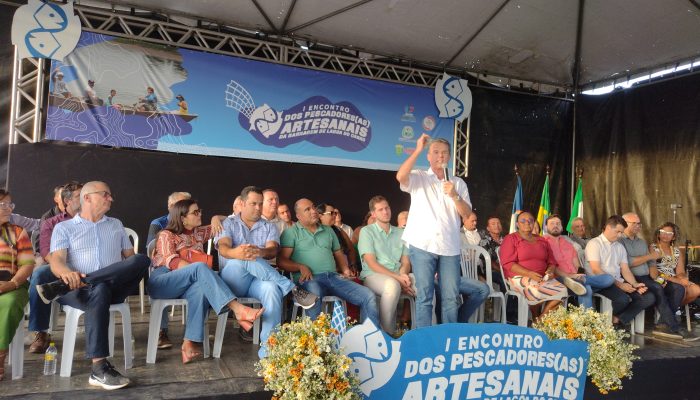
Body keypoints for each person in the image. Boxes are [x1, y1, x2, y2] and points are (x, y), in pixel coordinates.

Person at [36, 181, 151, 390]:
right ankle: (99, 368)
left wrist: (94, 277)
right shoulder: (64, 227)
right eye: (105, 194)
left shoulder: (115, 224)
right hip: (76, 289)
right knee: (100, 289)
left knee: (142, 260)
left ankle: (71, 284)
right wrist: (67, 274)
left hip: (108, 287)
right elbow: (56, 261)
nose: (111, 198)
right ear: (87, 198)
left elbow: (130, 259)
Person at [149, 199, 264, 363]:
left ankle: (189, 341)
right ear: (182, 218)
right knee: (200, 268)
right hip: (163, 281)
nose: (200, 214)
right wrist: (199, 271)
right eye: (195, 212)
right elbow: (173, 263)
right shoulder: (166, 235)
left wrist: (216, 217)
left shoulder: (198, 233)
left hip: (187, 282)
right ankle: (237, 308)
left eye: (200, 210)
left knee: (200, 289)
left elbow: (231, 219)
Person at [216, 187, 316, 358]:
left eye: (260, 204)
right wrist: (238, 253)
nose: (257, 207)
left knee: (272, 289)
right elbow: (224, 248)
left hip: (258, 280)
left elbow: (272, 251)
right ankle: (291, 288)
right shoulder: (229, 223)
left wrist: (259, 252)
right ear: (242, 203)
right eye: (253, 203)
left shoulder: (269, 227)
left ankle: (269, 351)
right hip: (233, 279)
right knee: (244, 255)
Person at [396, 133, 472, 327]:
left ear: (449, 157)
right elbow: (400, 176)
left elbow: (466, 214)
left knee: (450, 298)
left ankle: (449, 339)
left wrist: (454, 195)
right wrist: (418, 149)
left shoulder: (458, 183)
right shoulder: (420, 177)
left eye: (445, 153)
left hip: (449, 247)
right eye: (436, 152)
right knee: (424, 297)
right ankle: (424, 342)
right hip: (423, 244)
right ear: (429, 156)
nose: (441, 156)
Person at [278, 198, 379, 326]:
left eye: (313, 207)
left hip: (333, 277)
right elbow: (281, 261)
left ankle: (371, 337)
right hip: (309, 280)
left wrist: (346, 270)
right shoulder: (291, 232)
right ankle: (318, 341)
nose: (313, 211)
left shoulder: (328, 230)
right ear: (298, 216)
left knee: (368, 295)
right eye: (307, 209)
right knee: (314, 295)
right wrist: (299, 266)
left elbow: (338, 254)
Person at [28, 182, 83, 354]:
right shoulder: (51, 222)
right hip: (59, 266)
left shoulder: (92, 219)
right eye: (79, 196)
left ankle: (62, 288)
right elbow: (45, 252)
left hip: (86, 267)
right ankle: (41, 332)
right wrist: (64, 269)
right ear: (67, 201)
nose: (84, 198)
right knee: (39, 276)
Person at [621, 213, 695, 340]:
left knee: (679, 288)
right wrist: (652, 260)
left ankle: (662, 324)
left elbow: (652, 265)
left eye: (639, 224)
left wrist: (658, 278)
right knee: (657, 288)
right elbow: (627, 262)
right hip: (631, 277)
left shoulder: (641, 242)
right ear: (624, 223)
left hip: (647, 276)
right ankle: (675, 327)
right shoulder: (620, 241)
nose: (638, 226)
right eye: (635, 223)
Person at [584, 215, 655, 332]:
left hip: (617, 281)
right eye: (617, 232)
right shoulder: (595, 243)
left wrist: (635, 284)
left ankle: (616, 319)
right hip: (600, 282)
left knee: (648, 297)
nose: (619, 235)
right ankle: (612, 323)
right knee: (622, 299)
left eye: (621, 233)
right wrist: (621, 285)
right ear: (607, 228)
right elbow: (596, 270)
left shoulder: (619, 246)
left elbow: (625, 269)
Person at [358, 196, 413, 335]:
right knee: (392, 285)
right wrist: (399, 278)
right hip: (373, 276)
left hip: (398, 275)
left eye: (387, 208)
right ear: (373, 214)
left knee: (424, 284)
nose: (385, 212)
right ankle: (386, 334)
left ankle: (425, 333)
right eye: (380, 209)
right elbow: (372, 263)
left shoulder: (401, 232)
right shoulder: (367, 231)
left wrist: (403, 275)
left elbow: (406, 261)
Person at [500, 212, 568, 320]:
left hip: (542, 277)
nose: (527, 223)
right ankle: (538, 320)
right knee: (535, 290)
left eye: (530, 220)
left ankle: (539, 321)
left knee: (563, 291)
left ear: (534, 223)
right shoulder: (511, 239)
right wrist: (529, 274)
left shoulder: (542, 240)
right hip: (518, 277)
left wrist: (550, 271)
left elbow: (552, 262)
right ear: (517, 224)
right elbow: (508, 263)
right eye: (523, 221)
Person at [544, 214, 614, 308]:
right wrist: (570, 276)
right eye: (552, 223)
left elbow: (577, 265)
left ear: (562, 227)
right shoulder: (543, 242)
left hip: (576, 278)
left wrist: (580, 275)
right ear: (546, 227)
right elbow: (551, 266)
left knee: (609, 278)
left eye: (558, 223)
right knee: (587, 288)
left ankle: (582, 282)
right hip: (559, 279)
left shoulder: (568, 243)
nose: (555, 225)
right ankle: (586, 321)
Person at [0, 190, 35, 380]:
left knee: (8, 303)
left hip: (13, 284)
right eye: (3, 205)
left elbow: (28, 264)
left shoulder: (17, 232)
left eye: (10, 204)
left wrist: (12, 283)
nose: (8, 209)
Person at [651, 222, 700, 306]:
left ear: (673, 237)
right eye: (663, 232)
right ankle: (670, 314)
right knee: (680, 289)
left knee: (696, 290)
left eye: (669, 233)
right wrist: (677, 281)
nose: (665, 235)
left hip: (674, 278)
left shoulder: (676, 251)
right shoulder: (652, 247)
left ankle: (670, 310)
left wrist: (683, 279)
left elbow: (680, 271)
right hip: (659, 278)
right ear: (659, 234)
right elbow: (653, 272)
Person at [317, 203, 360, 274]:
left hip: (346, 271)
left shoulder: (339, 230)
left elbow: (350, 249)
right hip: (329, 273)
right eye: (331, 213)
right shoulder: (316, 234)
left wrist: (352, 265)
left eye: (335, 213)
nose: (335, 215)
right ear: (320, 216)